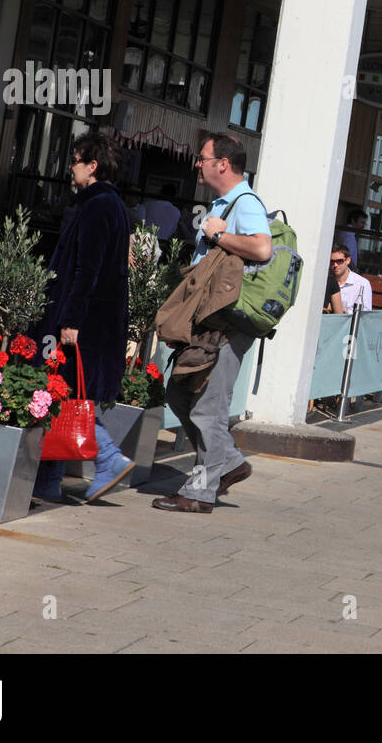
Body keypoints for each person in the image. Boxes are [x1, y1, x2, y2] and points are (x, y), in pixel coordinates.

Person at [155, 134, 271, 514]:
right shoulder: (225, 203)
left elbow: (262, 248)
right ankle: (230, 463)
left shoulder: (246, 203)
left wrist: (219, 233)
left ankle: (199, 493)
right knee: (179, 396)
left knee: (206, 409)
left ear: (223, 163)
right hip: (209, 322)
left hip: (226, 326)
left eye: (202, 158)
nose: (197, 165)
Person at [31, 133, 135, 504]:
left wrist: (71, 319)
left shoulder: (98, 206)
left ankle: (107, 456)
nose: (70, 167)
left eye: (75, 160)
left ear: (92, 166)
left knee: (67, 392)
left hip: (85, 319)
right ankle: (47, 482)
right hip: (97, 317)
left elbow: (86, 269)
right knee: (64, 390)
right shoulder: (108, 205)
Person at [331, 243, 373, 313]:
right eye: (332, 261)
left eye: (339, 261)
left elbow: (365, 314)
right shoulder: (327, 281)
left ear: (348, 261)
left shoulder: (362, 284)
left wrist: (346, 312)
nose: (335, 265)